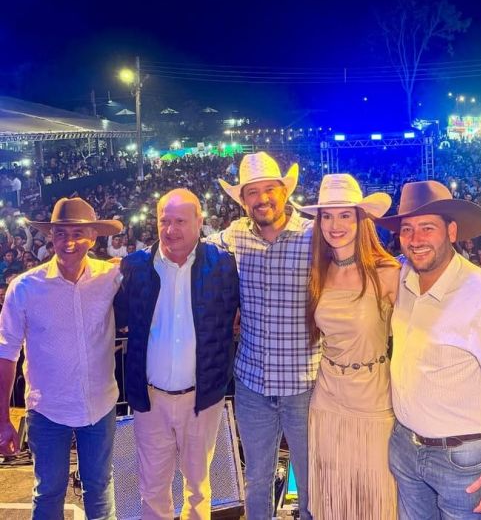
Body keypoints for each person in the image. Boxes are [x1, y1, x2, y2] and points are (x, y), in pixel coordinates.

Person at [375, 180, 481, 520]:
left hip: (463, 460)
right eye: (407, 229)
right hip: (405, 447)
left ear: (451, 232)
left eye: (427, 228)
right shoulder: (404, 276)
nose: (416, 239)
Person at [114, 189, 239, 519]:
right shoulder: (135, 267)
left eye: (180, 221)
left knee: (198, 488)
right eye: (164, 221)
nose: (171, 230)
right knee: (152, 489)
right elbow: (119, 316)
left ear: (200, 221)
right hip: (150, 401)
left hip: (202, 400)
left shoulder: (223, 266)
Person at [207, 152, 318, 520]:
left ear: (285, 192)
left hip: (304, 385)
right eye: (252, 192)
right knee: (256, 479)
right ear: (243, 200)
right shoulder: (235, 235)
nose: (262, 199)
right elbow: (189, 247)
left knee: (311, 481)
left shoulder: (313, 235)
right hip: (253, 383)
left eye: (270, 189)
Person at [0, 198, 123, 519]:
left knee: (100, 489)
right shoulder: (24, 288)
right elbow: (6, 353)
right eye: (60, 233)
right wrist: (2, 420)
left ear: (93, 236)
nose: (69, 242)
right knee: (48, 493)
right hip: (47, 411)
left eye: (78, 233)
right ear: (50, 237)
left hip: (99, 406)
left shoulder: (111, 276)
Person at [298, 173, 400, 519]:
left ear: (361, 220)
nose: (335, 225)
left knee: (377, 498)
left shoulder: (387, 272)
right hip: (327, 399)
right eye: (327, 216)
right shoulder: (318, 271)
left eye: (345, 215)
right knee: (333, 498)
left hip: (374, 400)